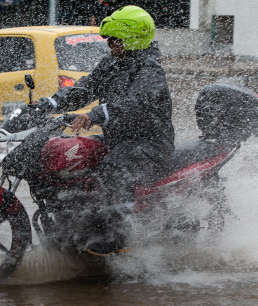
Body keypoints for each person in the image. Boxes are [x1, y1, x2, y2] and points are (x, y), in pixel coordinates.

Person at [35, 6, 175, 254]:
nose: (108, 42)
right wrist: (50, 103)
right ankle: (75, 220)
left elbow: (136, 102)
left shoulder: (150, 69)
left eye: (114, 38)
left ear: (132, 38)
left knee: (113, 167)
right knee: (74, 155)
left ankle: (118, 236)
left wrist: (94, 114)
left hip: (150, 143)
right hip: (117, 138)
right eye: (108, 37)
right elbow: (86, 88)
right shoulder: (113, 62)